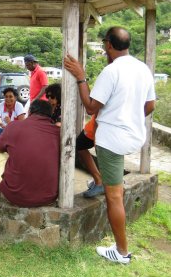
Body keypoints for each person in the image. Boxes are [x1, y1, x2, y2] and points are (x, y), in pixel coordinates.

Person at [64, 26, 156, 264]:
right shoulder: (142, 69)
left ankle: (122, 252)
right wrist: (129, 114)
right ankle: (99, 181)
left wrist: (81, 77)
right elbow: (150, 106)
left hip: (112, 139)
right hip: (134, 136)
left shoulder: (111, 71)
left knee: (113, 195)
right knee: (113, 189)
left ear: (108, 45)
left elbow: (91, 107)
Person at [0, 100, 60, 207]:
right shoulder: (58, 132)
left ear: (30, 111)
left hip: (16, 196)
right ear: (50, 114)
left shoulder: (13, 126)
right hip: (49, 197)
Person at [0, 87, 25, 155]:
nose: (8, 99)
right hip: (4, 131)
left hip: (16, 133)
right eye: (6, 97)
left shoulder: (19, 106)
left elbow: (22, 126)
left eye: (11, 96)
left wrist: (10, 123)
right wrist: (0, 124)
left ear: (15, 97)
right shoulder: (1, 105)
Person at [76, 115, 104, 198]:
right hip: (114, 126)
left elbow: (91, 109)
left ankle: (99, 181)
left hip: (100, 125)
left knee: (80, 145)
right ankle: (102, 180)